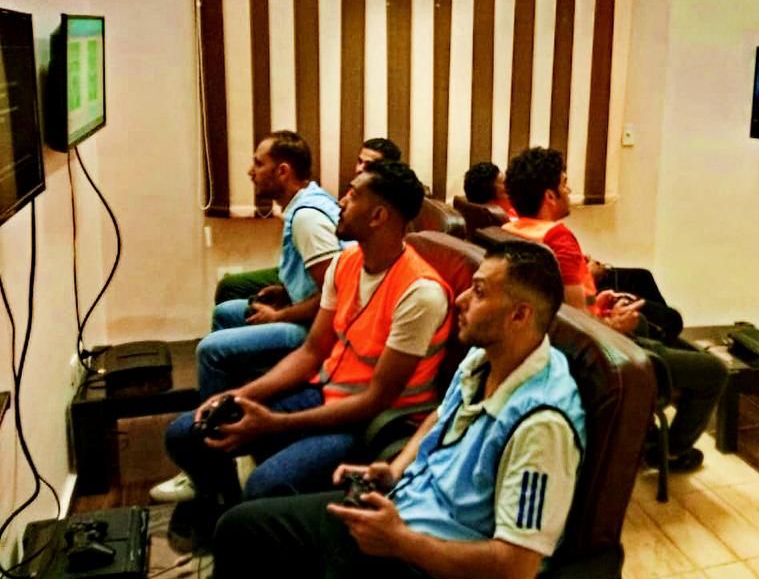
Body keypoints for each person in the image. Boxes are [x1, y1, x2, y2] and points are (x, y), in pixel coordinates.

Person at [213, 241, 585, 579]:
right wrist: (395, 469)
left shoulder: (542, 425)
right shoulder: (486, 355)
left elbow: (517, 566)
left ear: (519, 316)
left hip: (423, 557)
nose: (460, 299)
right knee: (239, 529)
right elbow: (441, 416)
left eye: (479, 292)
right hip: (404, 509)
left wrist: (401, 542)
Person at [163, 160, 453, 523]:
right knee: (184, 434)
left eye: (353, 195)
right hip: (325, 391)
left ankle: (248, 520)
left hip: (369, 422)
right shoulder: (347, 262)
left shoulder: (420, 293)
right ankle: (227, 510)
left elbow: (375, 400)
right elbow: (312, 350)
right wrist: (239, 395)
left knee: (266, 485)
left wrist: (275, 423)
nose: (341, 202)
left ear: (378, 216)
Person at [502, 147, 726, 472]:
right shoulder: (558, 241)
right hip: (591, 356)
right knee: (714, 371)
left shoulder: (511, 230)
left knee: (649, 323)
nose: (569, 190)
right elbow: (576, 327)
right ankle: (669, 452)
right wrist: (613, 325)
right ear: (550, 195)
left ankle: (645, 426)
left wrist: (596, 304)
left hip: (548, 343)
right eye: (564, 184)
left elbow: (559, 306)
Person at [152, 131, 343, 502]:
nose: (250, 171)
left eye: (259, 163)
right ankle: (229, 429)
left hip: (318, 329)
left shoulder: (307, 218)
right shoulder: (304, 203)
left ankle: (214, 468)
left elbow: (334, 295)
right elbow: (317, 280)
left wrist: (279, 316)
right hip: (306, 312)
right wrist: (285, 292)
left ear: (283, 170)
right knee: (227, 313)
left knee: (211, 350)